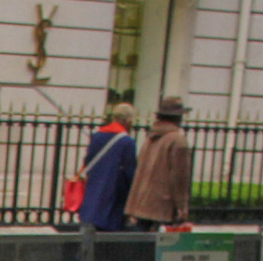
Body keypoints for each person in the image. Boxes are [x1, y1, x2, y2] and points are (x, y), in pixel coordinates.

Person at [125, 96, 193, 231]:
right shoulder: (178, 140)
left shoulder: (150, 138)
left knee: (141, 241)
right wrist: (181, 205)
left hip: (141, 201)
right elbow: (180, 176)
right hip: (162, 204)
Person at [74, 100, 138, 233]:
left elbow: (88, 161)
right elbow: (130, 172)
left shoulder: (97, 136)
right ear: (128, 121)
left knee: (88, 236)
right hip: (114, 195)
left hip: (93, 191)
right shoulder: (128, 142)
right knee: (108, 239)